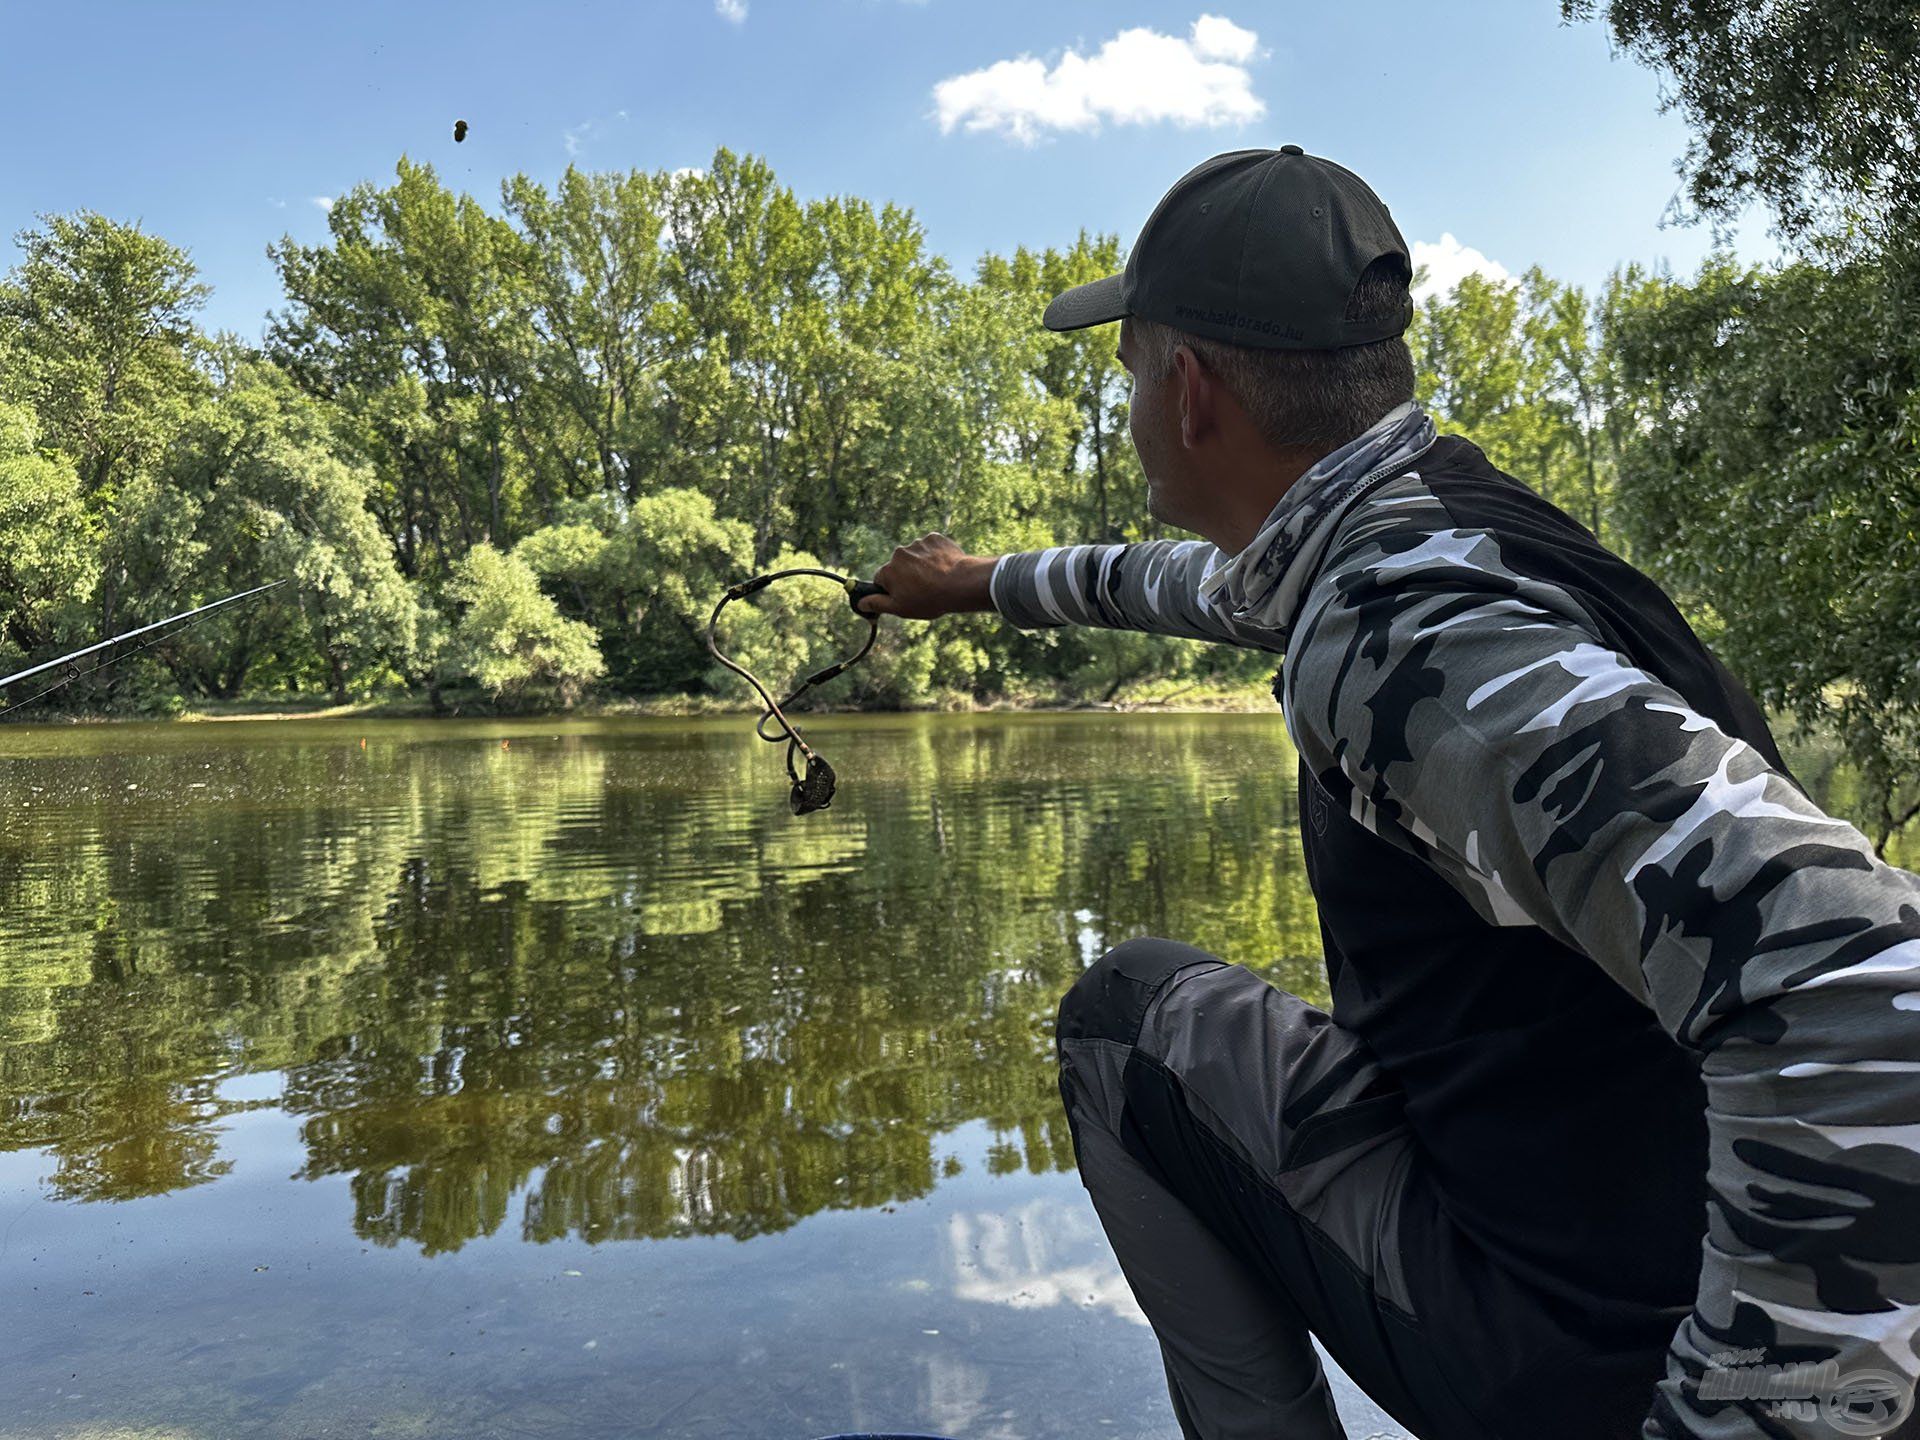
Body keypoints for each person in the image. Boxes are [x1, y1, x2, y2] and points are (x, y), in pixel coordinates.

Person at [852, 146, 1920, 1440]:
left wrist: (1754, 1413)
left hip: (1599, 1351)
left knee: (1124, 1022)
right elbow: (1184, 587)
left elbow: (1861, 985)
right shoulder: (1426, 528)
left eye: (1129, 371)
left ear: (1189, 393)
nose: (1128, 407)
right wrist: (970, 584)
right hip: (1646, 1241)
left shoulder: (1396, 633)